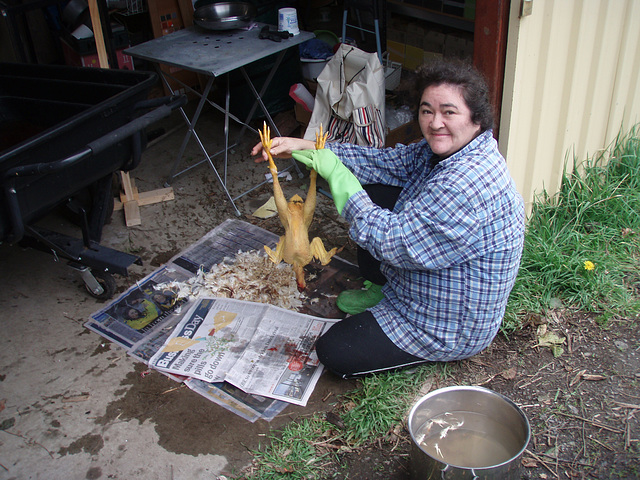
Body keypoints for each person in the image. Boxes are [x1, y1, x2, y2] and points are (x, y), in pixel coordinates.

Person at [251, 58, 525, 378]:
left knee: (335, 351)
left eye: (449, 112)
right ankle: (383, 287)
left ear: (476, 118)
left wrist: (341, 180)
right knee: (378, 189)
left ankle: (423, 340)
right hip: (428, 275)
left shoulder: (466, 184)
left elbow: (392, 243)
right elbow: (384, 163)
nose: (436, 123)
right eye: (427, 110)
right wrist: (308, 148)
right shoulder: (446, 151)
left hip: (446, 322)